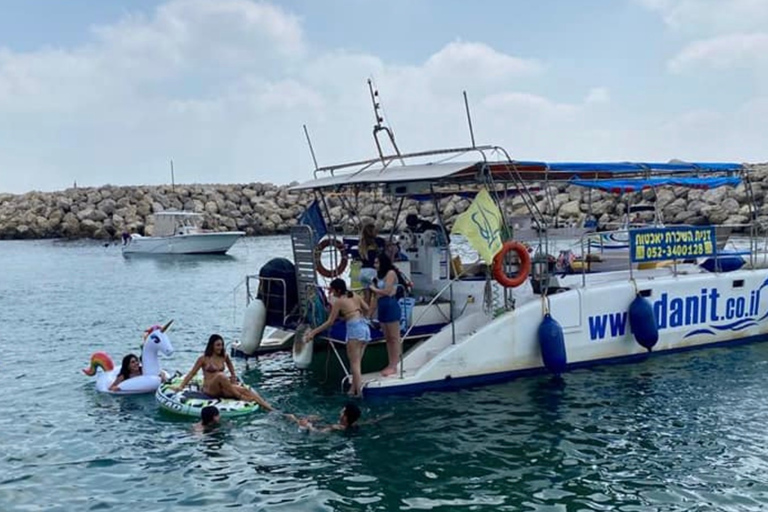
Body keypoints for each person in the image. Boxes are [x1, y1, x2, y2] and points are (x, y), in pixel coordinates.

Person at [304, 278, 371, 396]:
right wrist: (352, 314)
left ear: (338, 290)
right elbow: (366, 308)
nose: (330, 291)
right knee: (357, 362)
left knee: (355, 364)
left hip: (354, 330)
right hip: (364, 327)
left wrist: (313, 332)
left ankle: (359, 393)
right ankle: (352, 390)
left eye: (332, 289)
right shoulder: (354, 295)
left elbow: (330, 322)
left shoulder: (339, 302)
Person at [172, 334, 273, 411]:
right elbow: (192, 373)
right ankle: (240, 397)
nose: (220, 347)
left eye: (221, 345)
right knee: (221, 375)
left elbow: (230, 365)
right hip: (209, 389)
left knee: (246, 390)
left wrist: (233, 376)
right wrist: (181, 386)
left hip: (222, 388)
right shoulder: (203, 359)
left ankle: (271, 410)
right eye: (218, 345)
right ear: (212, 346)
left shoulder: (224, 356)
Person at [369, 252, 402, 377]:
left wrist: (374, 289)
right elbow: (376, 297)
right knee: (387, 338)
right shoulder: (378, 277)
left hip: (390, 305)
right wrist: (370, 313)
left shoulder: (390, 273)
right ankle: (390, 362)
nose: (375, 265)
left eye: (377, 262)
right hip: (382, 306)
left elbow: (387, 291)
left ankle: (395, 364)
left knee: (394, 337)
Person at [357, 223, 384, 291]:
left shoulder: (362, 245)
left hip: (362, 272)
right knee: (376, 293)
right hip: (371, 272)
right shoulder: (376, 242)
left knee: (367, 294)